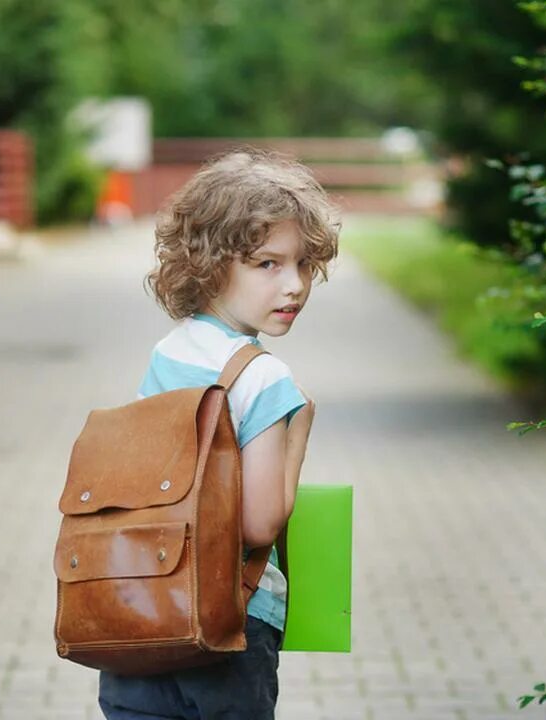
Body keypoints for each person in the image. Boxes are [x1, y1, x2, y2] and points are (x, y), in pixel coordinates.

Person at [97, 148, 341, 719]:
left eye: (304, 265)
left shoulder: (169, 350)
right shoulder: (264, 376)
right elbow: (258, 522)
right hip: (228, 623)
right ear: (209, 264)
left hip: (143, 606)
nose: (295, 286)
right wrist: (298, 428)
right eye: (268, 264)